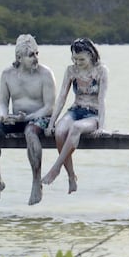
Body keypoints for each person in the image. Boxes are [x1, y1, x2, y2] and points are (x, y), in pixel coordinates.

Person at [0, 34, 56, 205]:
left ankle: (36, 183)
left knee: (30, 132)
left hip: (39, 118)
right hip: (15, 118)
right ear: (19, 57)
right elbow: (2, 103)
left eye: (37, 53)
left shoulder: (45, 74)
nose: (36, 58)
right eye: (31, 55)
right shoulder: (7, 74)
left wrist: (29, 118)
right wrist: (3, 115)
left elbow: (49, 107)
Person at [41, 37, 108, 192]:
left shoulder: (101, 71)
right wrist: (51, 122)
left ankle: (55, 168)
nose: (77, 62)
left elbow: (102, 99)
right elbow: (62, 98)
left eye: (81, 59)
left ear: (91, 55)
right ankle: (71, 176)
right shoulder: (71, 70)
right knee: (59, 131)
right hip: (75, 110)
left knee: (76, 128)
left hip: (93, 114)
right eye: (74, 59)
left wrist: (102, 126)